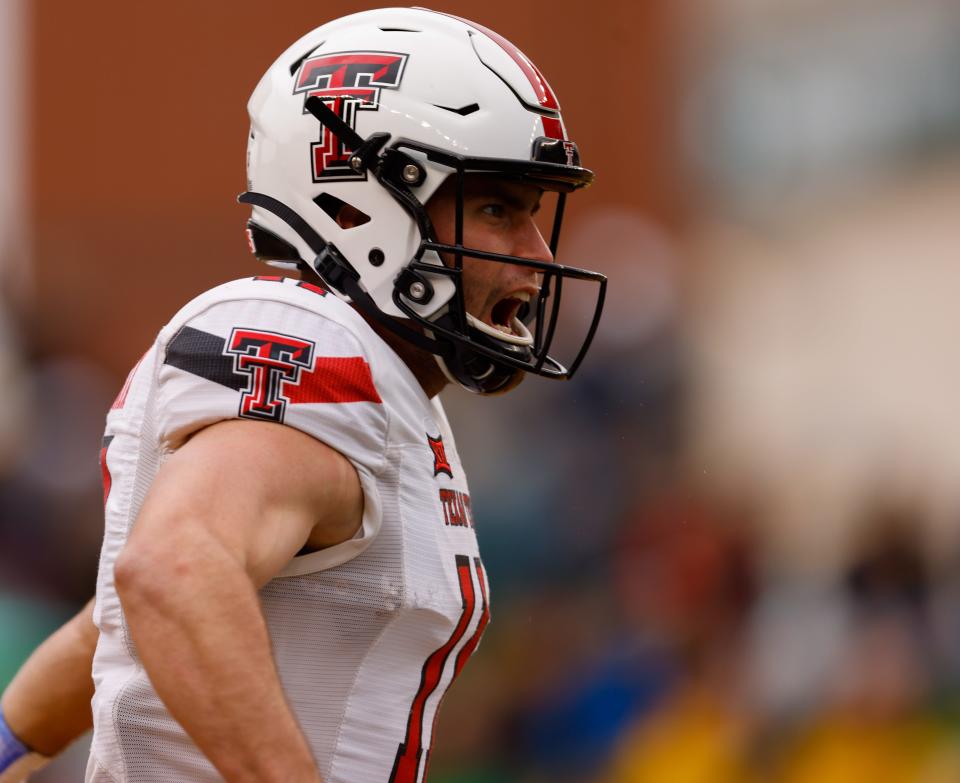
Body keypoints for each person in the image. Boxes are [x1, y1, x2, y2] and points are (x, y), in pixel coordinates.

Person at [0, 7, 605, 782]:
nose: (536, 255)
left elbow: (111, 629)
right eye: (498, 209)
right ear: (359, 204)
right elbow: (172, 573)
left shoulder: (386, 386)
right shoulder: (313, 345)